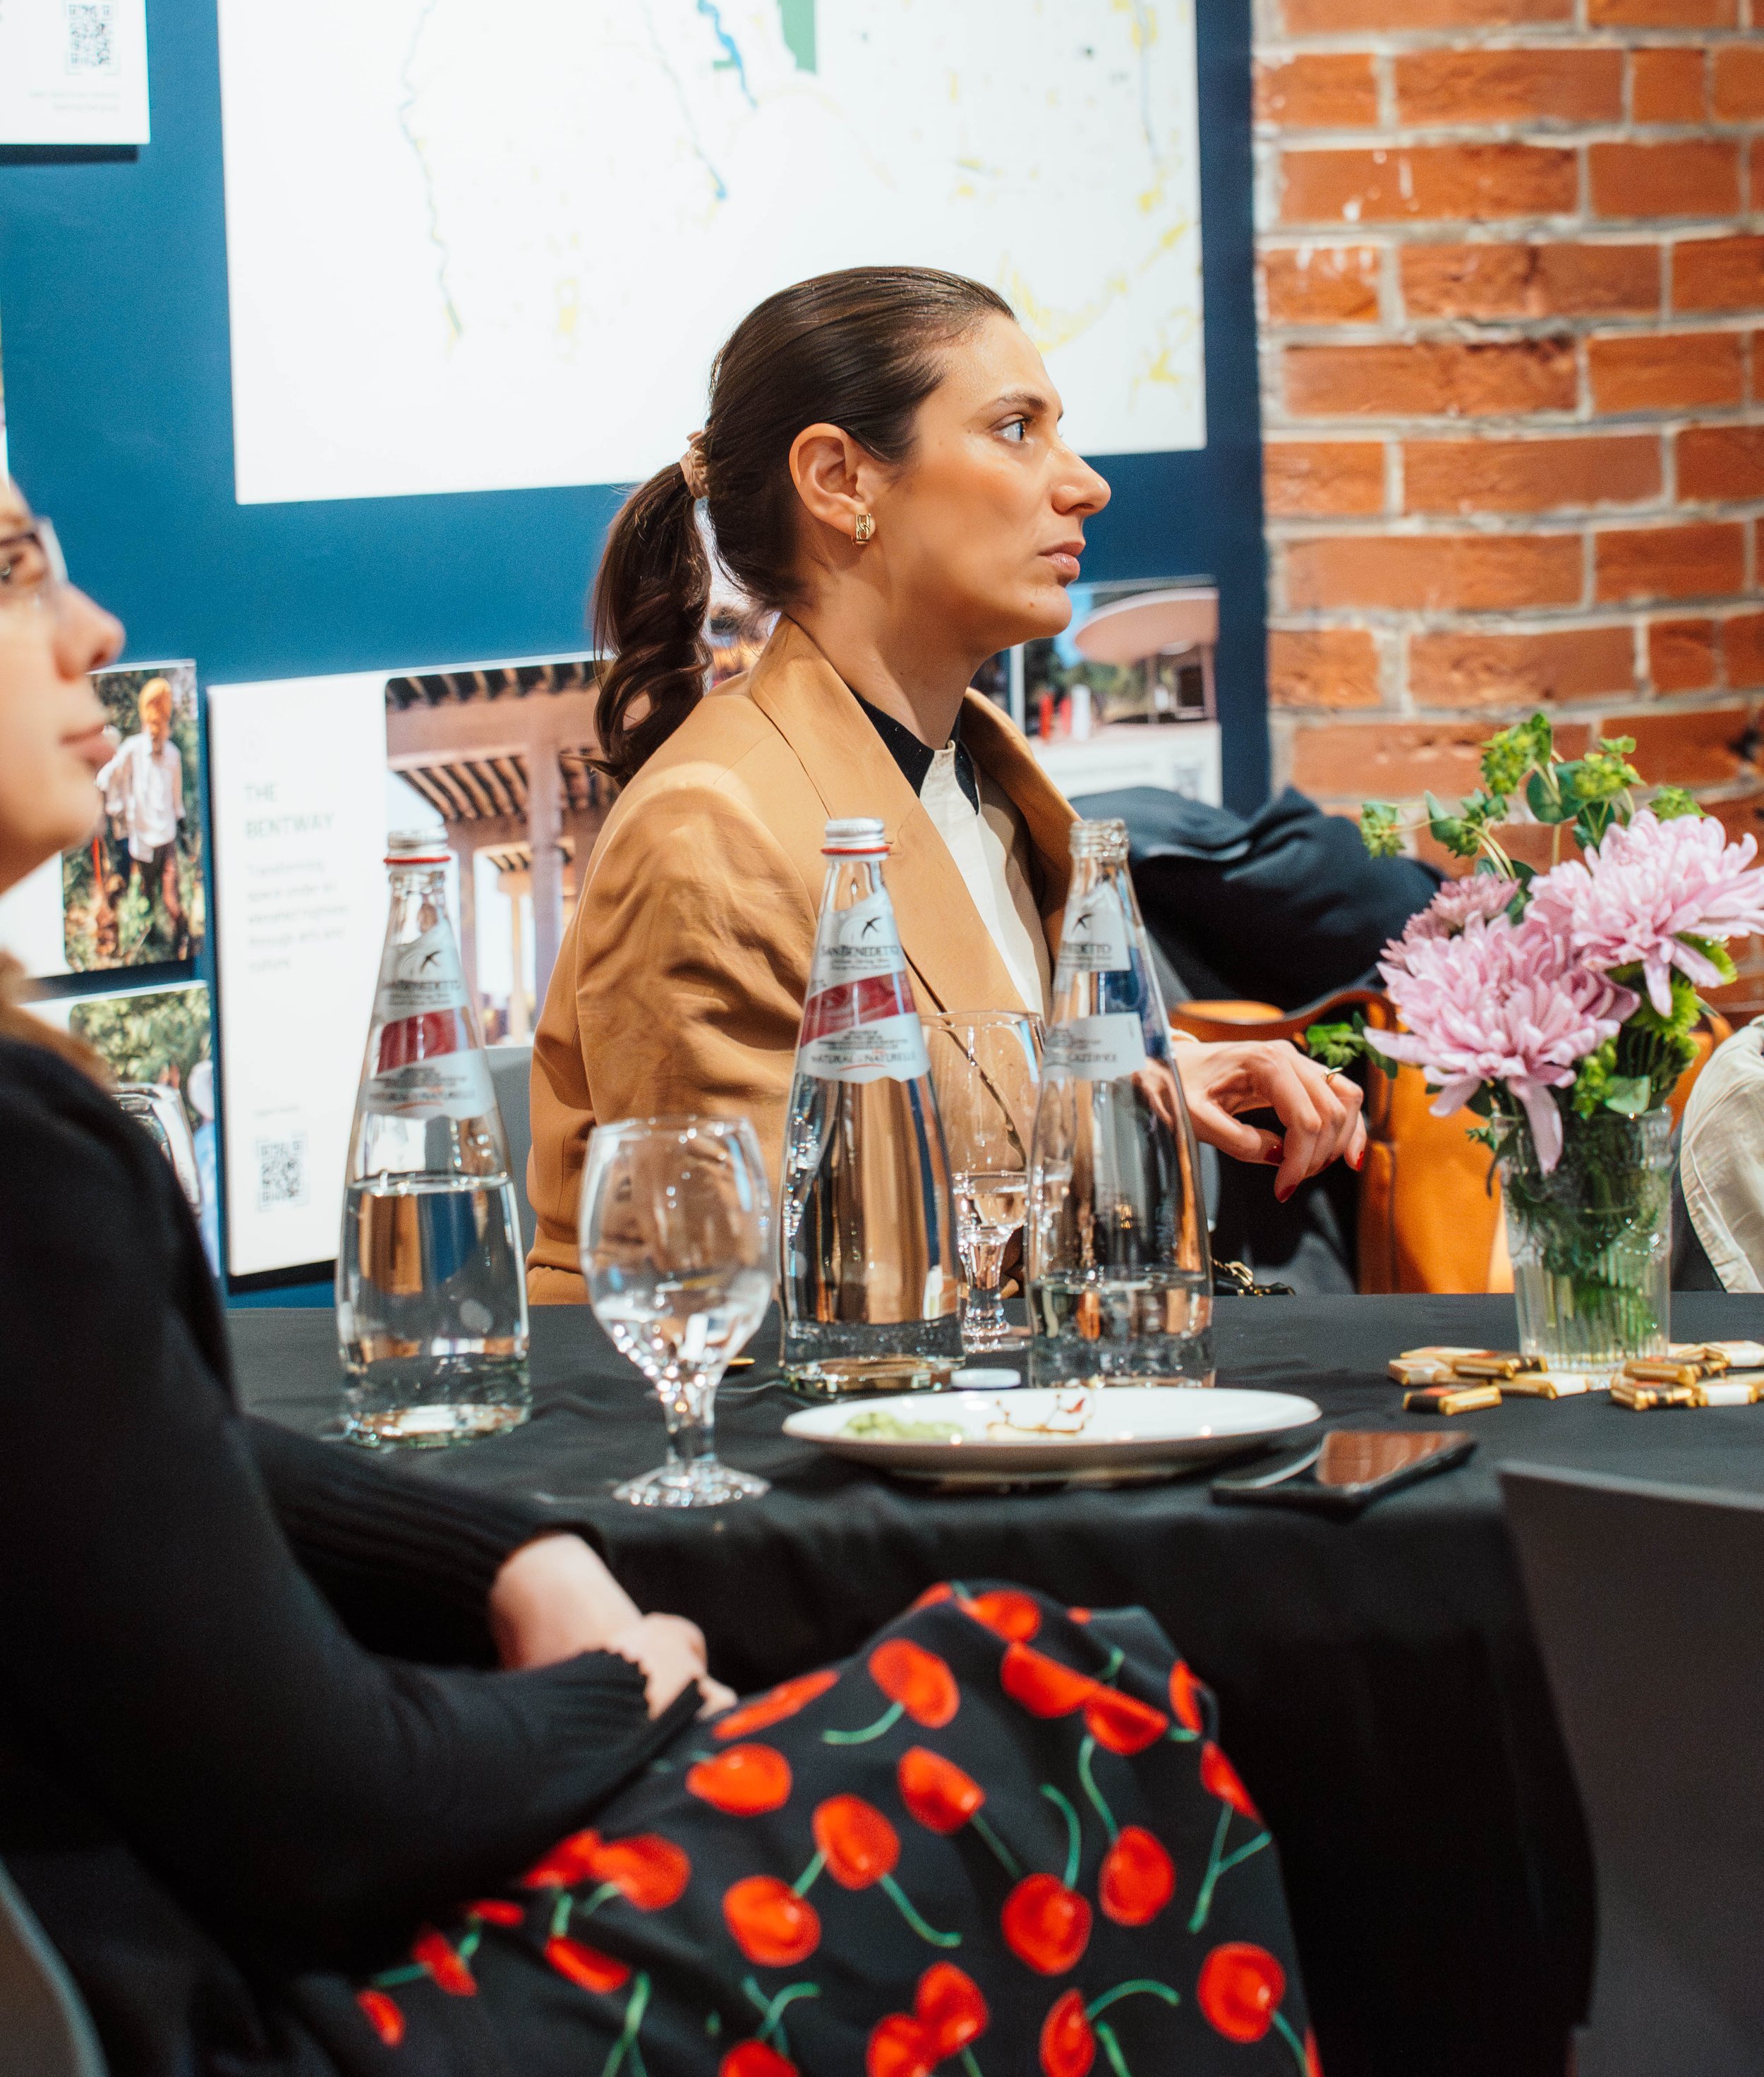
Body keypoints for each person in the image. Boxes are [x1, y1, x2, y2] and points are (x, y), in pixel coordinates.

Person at [0, 476, 1315, 2074]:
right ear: (843, 486)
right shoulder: (30, 1153)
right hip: (221, 2018)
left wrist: (507, 1548)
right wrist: (623, 1684)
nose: (96, 628)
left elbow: (110, 1466)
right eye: (16, 567)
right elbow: (325, 1798)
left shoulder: (989, 780)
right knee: (1066, 1704)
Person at [529, 267, 1364, 1295]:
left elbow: (966, 1086)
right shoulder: (711, 830)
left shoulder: (979, 777)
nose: (1086, 483)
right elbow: (755, 1302)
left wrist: (1142, 1078)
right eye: (1016, 428)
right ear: (839, 478)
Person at [97, 672, 191, 955]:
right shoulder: (132, 749)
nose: (155, 729)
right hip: (143, 843)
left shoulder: (172, 755)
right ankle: (148, 943)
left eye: (160, 722)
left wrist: (184, 832)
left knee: (172, 900)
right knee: (145, 895)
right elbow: (107, 776)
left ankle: (182, 943)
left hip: (167, 840)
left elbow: (176, 800)